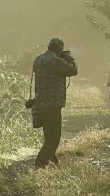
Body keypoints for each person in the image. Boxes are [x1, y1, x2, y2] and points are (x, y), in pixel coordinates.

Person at [32, 38, 78, 168]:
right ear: (59, 49)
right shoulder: (57, 61)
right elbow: (73, 71)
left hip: (40, 100)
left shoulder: (38, 60)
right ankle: (40, 161)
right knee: (54, 135)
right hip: (53, 103)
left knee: (48, 133)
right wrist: (70, 59)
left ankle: (50, 155)